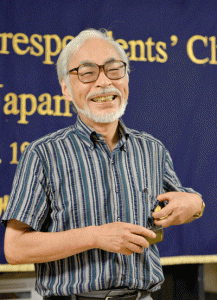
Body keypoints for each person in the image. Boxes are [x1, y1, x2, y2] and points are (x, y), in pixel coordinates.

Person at [2, 29, 205, 300]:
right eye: (87, 72)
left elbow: (182, 203)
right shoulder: (43, 154)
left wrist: (195, 205)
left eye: (113, 70)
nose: (103, 82)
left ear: (126, 80)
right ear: (66, 88)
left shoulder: (152, 149)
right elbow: (15, 249)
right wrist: (96, 236)